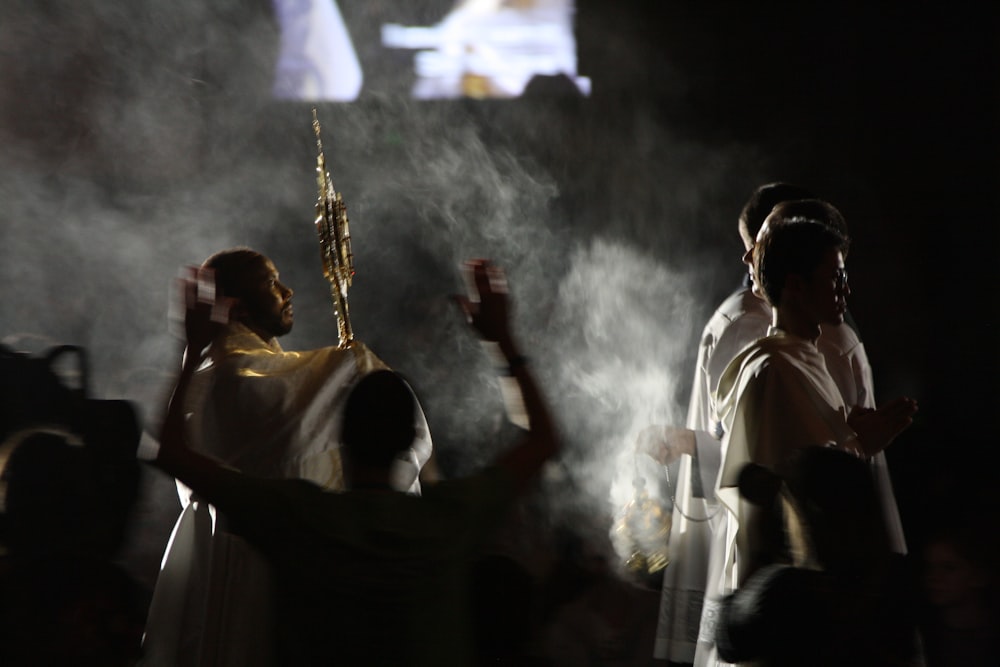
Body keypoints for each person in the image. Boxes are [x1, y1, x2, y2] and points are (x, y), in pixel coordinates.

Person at [154, 258, 559, 665]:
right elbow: (543, 440)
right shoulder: (445, 523)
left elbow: (170, 451)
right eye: (273, 283)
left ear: (336, 434)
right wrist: (501, 339)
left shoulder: (305, 520)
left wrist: (189, 350)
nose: (288, 291)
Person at [648, 184, 908, 665]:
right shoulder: (773, 368)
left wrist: (853, 437)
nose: (846, 292)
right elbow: (787, 494)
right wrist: (858, 445)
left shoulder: (807, 356)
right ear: (794, 283)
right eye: (835, 278)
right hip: (793, 601)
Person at [141, 247, 437, 666]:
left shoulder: (205, 378)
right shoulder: (233, 378)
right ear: (237, 305)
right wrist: (353, 361)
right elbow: (299, 402)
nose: (287, 290)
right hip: (272, 573)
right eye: (270, 282)